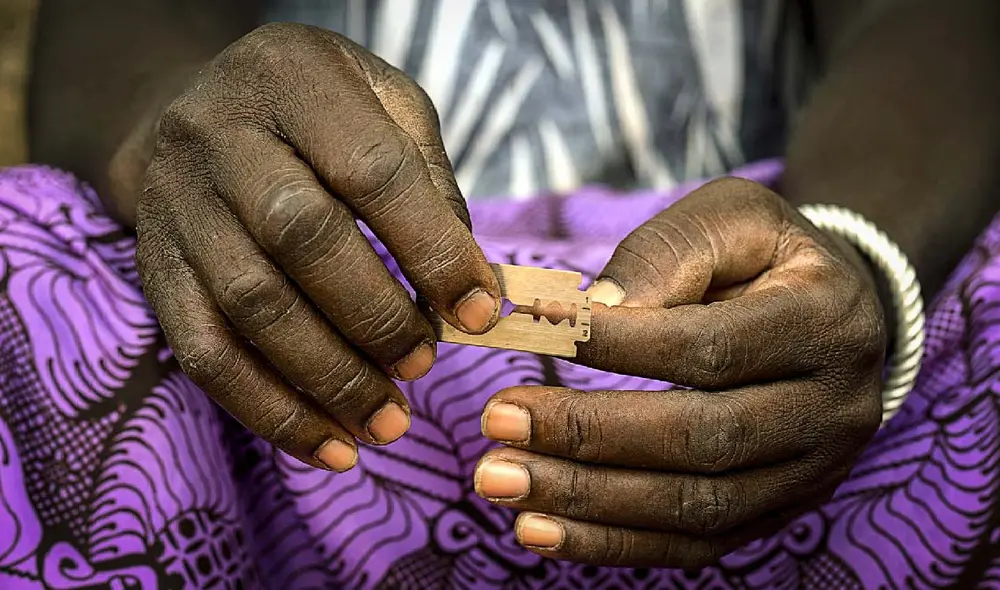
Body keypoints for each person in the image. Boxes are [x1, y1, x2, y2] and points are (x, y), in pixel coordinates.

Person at [0, 0, 996, 588]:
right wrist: (179, 136)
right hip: (284, 301)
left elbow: (935, 23)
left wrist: (861, 258)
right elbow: (115, 26)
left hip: (773, 286)